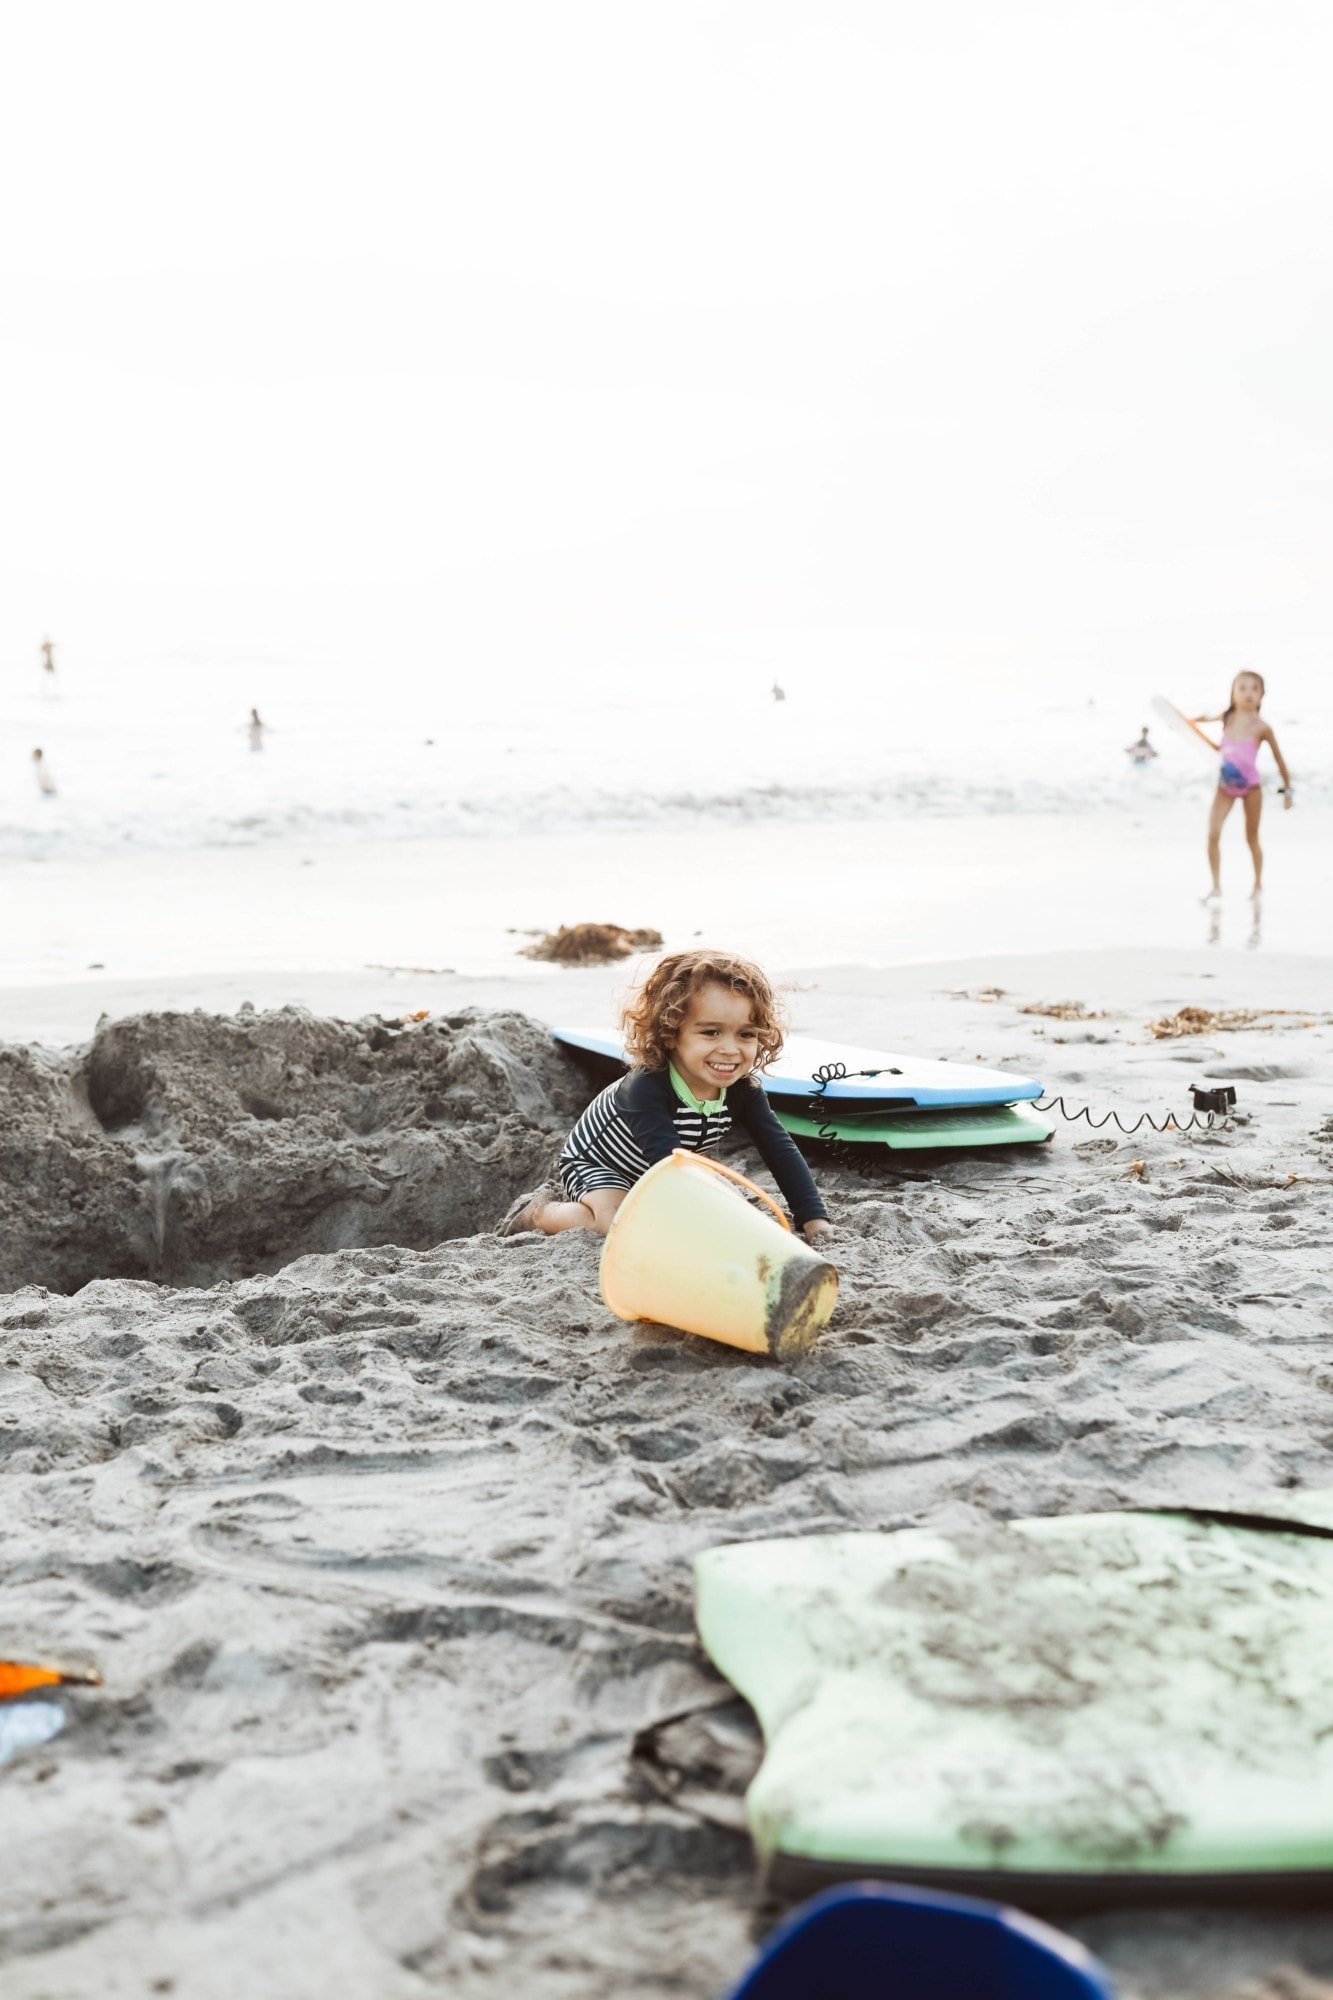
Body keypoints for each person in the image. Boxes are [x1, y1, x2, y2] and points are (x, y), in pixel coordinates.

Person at [499, 948, 832, 1243]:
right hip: (601, 1164)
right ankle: (542, 1213)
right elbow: (668, 1167)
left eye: (746, 1034)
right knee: (619, 1223)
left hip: (672, 1162)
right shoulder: (646, 1088)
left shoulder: (743, 1090)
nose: (730, 1049)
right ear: (671, 1033)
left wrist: (813, 1217)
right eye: (711, 1032)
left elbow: (781, 1151)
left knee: (736, 1206)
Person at [1195, 671, 1293, 901]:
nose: (1248, 693)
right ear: (1233, 693)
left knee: (1251, 838)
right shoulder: (1226, 718)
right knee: (1212, 834)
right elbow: (1197, 722)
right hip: (1224, 787)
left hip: (1251, 788)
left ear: (1262, 695)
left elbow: (1280, 760)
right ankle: (1216, 886)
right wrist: (1184, 720)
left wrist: (1287, 791)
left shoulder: (1263, 728)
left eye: (1254, 689)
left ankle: (1258, 886)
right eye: (1242, 688)